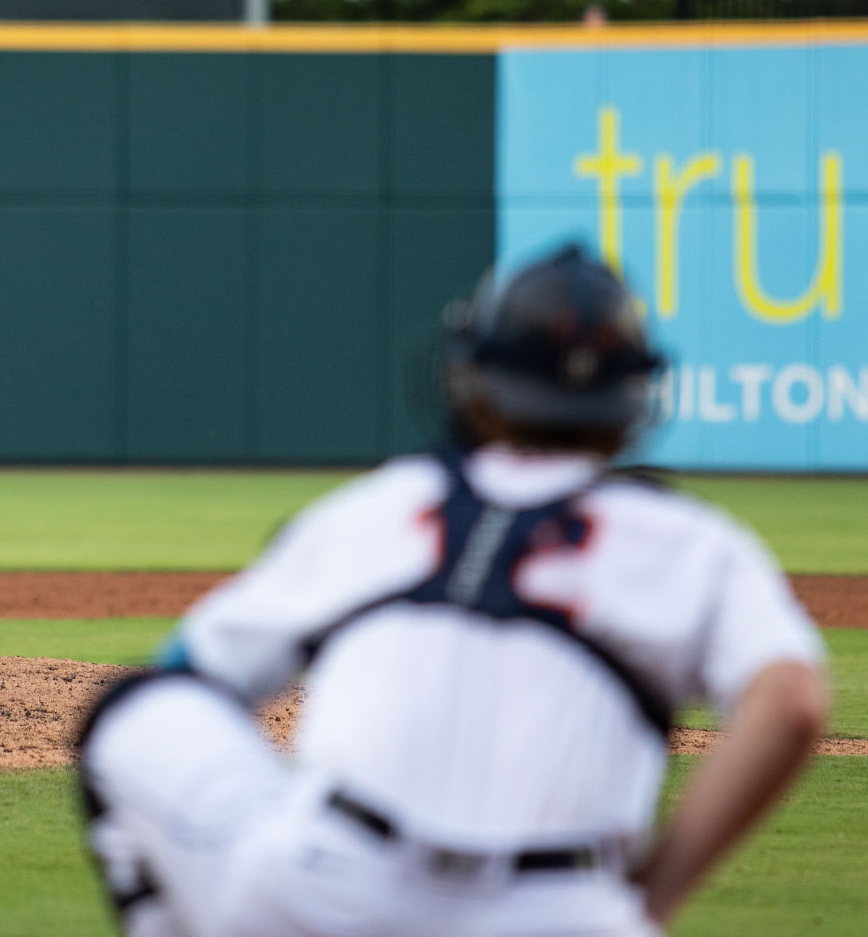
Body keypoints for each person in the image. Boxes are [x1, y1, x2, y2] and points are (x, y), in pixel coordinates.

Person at [78, 244, 829, 937]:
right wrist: (645, 903)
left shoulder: (385, 501)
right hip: (560, 911)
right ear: (635, 400)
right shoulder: (696, 539)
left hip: (327, 892)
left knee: (130, 713)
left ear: (475, 380)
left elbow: (189, 675)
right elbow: (794, 700)